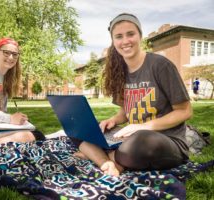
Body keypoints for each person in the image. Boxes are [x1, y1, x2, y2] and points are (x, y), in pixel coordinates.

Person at [72, 13, 192, 176]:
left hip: (163, 141)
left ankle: (98, 156)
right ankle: (108, 163)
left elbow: (184, 111)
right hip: (130, 136)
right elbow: (125, 112)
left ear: (140, 36)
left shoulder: (160, 65)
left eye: (130, 34)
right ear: (113, 42)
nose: (125, 41)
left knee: (140, 141)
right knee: (80, 129)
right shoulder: (119, 72)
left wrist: (143, 127)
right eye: (119, 36)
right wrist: (113, 120)